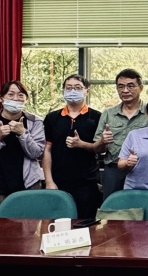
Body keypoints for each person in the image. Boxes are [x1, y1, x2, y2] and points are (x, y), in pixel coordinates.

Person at [0, 81, 46, 217]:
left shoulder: (35, 122)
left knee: (29, 227)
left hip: (28, 185)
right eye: (11, 94)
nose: (15, 98)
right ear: (1, 98)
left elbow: (37, 153)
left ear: (26, 99)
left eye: (20, 95)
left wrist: (23, 133)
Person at [42, 74, 103, 219]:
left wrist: (81, 144)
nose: (73, 91)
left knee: (86, 224)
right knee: (57, 224)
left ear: (86, 91)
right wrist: (49, 181)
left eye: (78, 88)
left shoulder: (97, 117)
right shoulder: (52, 118)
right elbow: (47, 150)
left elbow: (101, 149)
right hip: (58, 182)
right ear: (63, 91)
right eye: (68, 88)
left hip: (87, 183)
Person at [94, 68, 148, 200]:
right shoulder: (108, 114)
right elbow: (97, 149)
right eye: (121, 87)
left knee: (143, 205)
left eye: (130, 86)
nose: (125, 90)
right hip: (113, 170)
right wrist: (102, 141)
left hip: (143, 169)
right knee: (111, 207)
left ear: (141, 88)